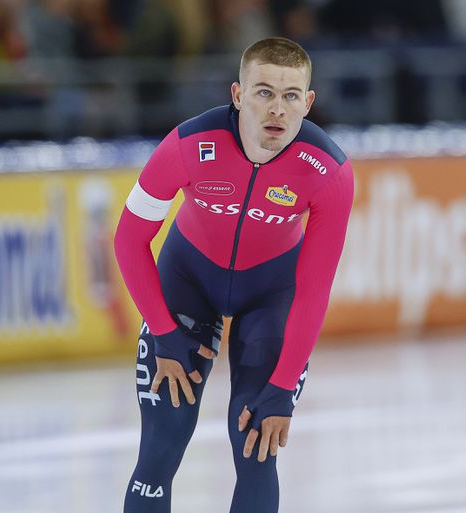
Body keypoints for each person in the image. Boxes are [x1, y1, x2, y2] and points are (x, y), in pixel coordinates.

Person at [114, 36, 354, 513]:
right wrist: (163, 332)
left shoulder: (329, 172)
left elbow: (312, 293)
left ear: (308, 103)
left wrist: (283, 387)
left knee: (255, 447)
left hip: (271, 295)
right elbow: (128, 240)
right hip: (188, 283)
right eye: (263, 92)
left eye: (290, 96)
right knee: (162, 444)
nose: (276, 110)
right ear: (238, 95)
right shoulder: (186, 146)